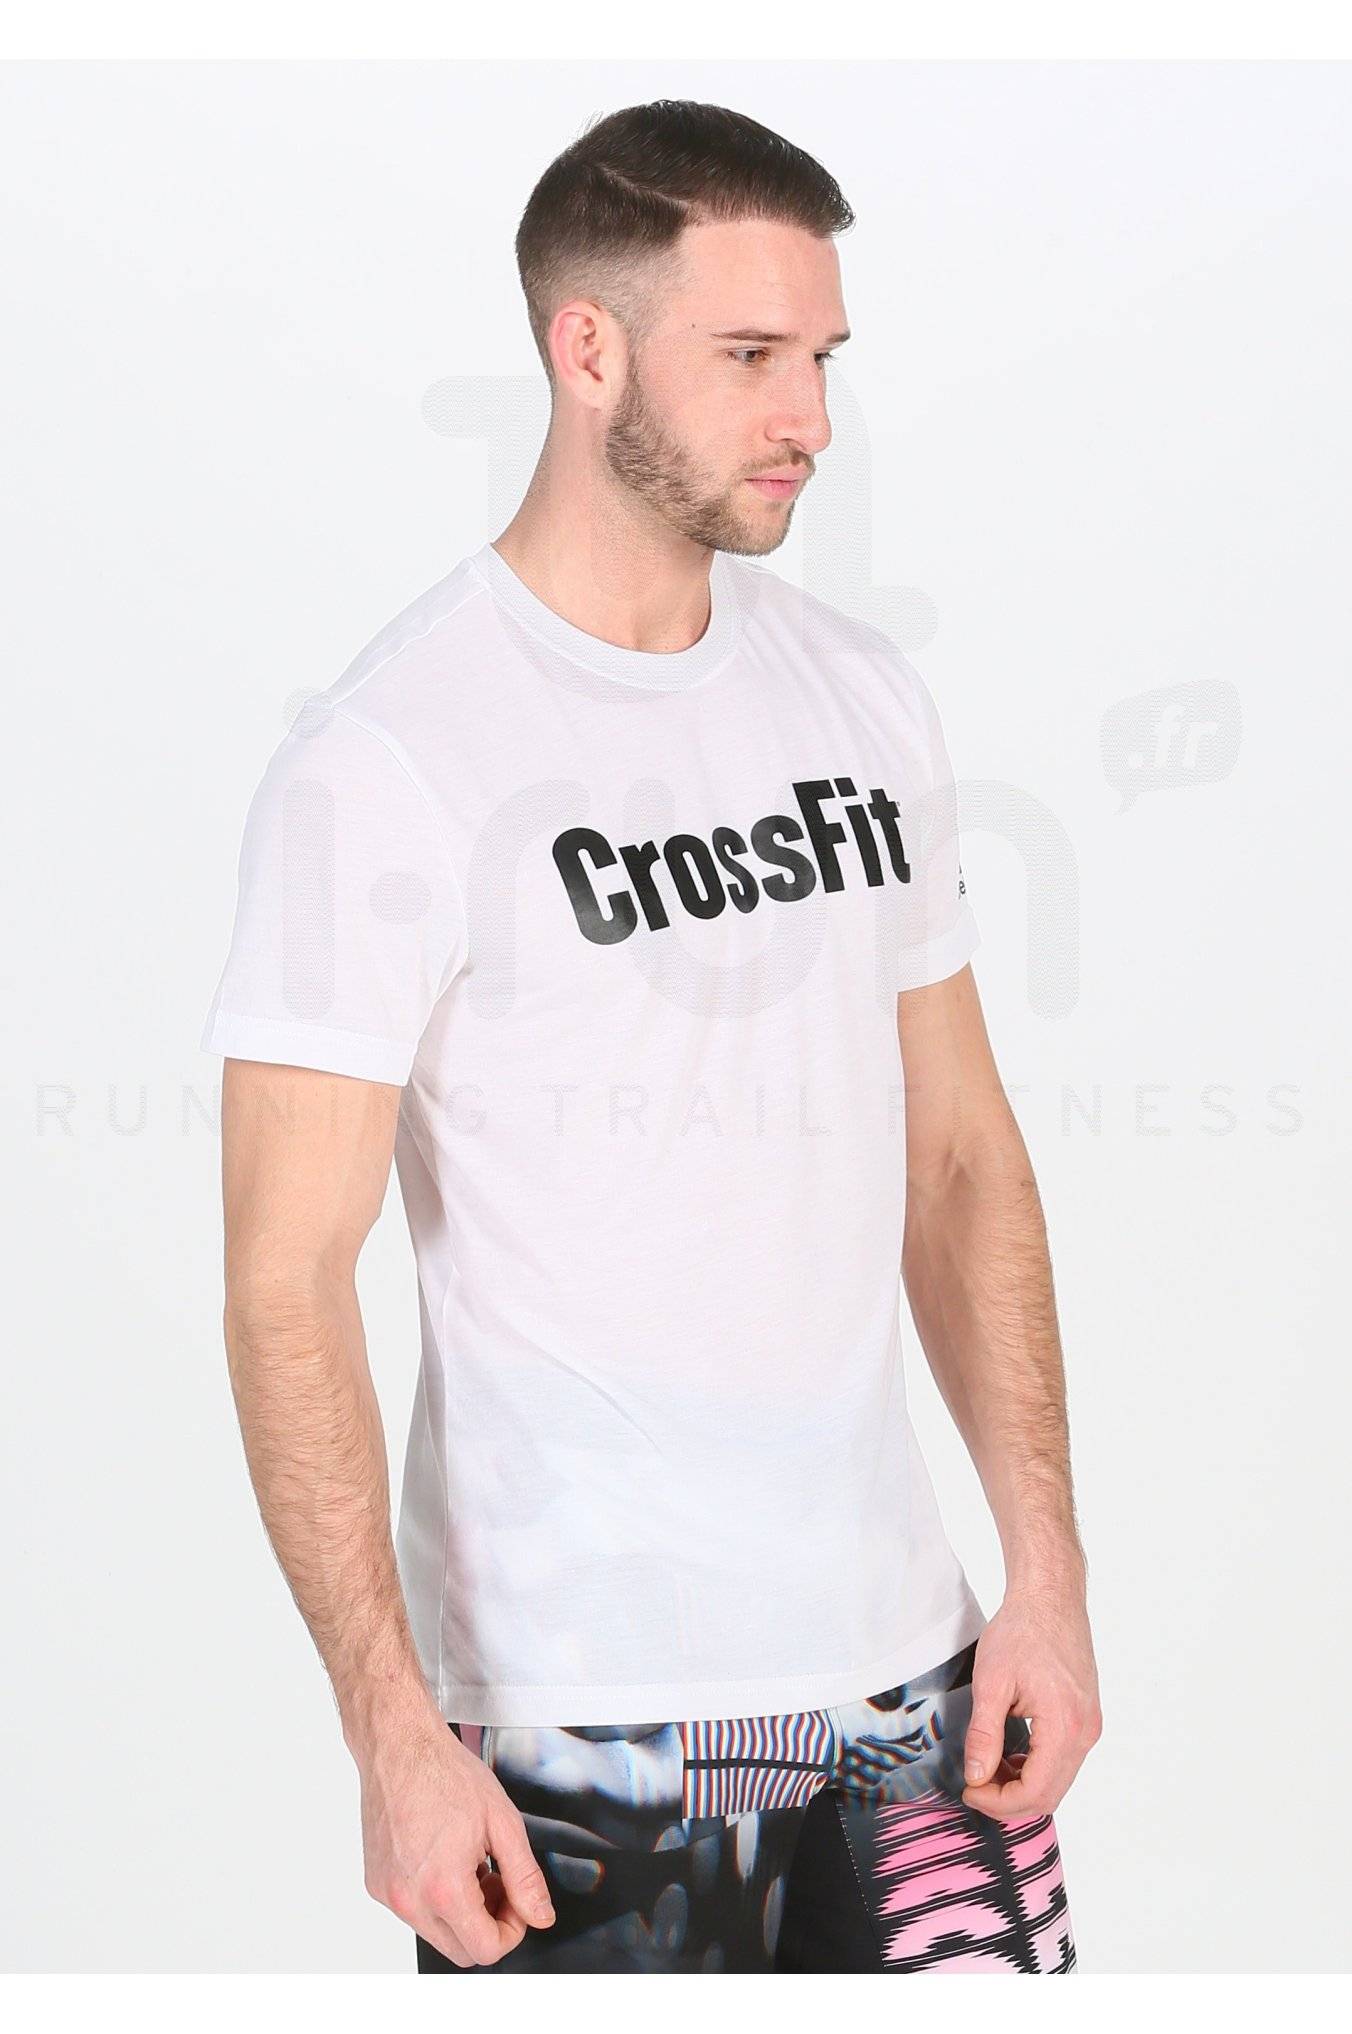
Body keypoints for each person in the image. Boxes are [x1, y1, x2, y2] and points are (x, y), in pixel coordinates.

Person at [201, 98, 1100, 1974]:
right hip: (578, 1733)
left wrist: (1047, 1572)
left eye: (825, 358)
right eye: (752, 357)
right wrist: (391, 1729)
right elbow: (287, 1278)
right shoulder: (389, 760)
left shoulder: (861, 698)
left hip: (918, 1689)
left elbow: (958, 1157)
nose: (811, 419)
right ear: (585, 346)